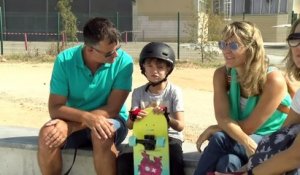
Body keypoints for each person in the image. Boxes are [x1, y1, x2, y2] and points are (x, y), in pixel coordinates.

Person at [194, 21, 293, 175]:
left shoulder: (273, 79)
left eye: (233, 46)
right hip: (243, 140)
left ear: (251, 49)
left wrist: (217, 128)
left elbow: (248, 128)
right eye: (223, 44)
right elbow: (223, 117)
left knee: (220, 138)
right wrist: (226, 129)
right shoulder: (222, 74)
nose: (226, 50)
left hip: (271, 140)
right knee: (227, 162)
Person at [37, 17, 133, 175]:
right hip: (74, 119)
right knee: (47, 135)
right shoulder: (64, 60)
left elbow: (113, 108)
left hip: (112, 119)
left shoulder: (124, 62)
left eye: (117, 48)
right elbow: (55, 108)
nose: (116, 55)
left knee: (102, 133)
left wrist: (72, 126)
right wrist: (85, 119)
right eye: (109, 53)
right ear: (90, 50)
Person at [117, 42, 185, 175]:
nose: (154, 71)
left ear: (168, 69)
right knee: (123, 160)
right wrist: (133, 116)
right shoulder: (138, 92)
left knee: (174, 160)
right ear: (143, 68)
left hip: (170, 137)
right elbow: (130, 125)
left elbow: (180, 126)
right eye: (150, 66)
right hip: (143, 136)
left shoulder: (174, 92)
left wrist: (167, 118)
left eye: (160, 67)